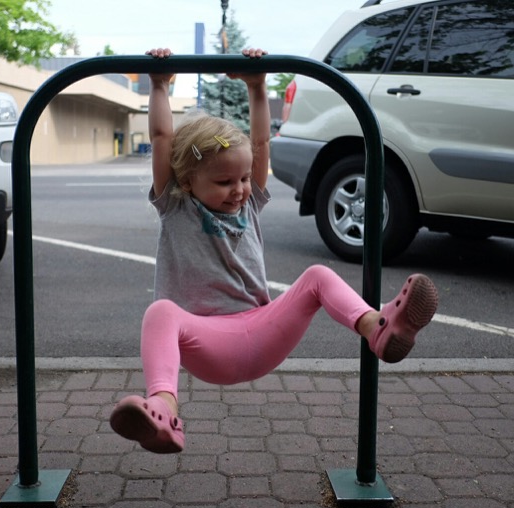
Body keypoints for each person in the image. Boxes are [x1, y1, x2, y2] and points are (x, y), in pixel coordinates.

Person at [109, 47, 438, 454]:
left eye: (244, 178)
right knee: (160, 312)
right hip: (208, 344)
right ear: (188, 181)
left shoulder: (250, 204)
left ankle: (377, 328)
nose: (239, 190)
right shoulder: (175, 206)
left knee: (317, 276)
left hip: (265, 332)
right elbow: (162, 137)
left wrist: (257, 85)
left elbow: (261, 139)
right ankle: (164, 411)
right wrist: (159, 83)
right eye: (225, 181)